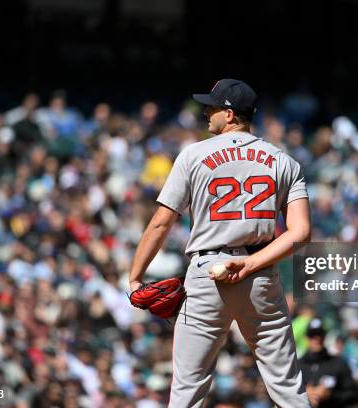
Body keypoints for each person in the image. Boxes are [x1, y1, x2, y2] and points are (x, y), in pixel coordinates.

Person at [128, 79, 312, 407]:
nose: (206, 112)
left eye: (211, 107)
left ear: (229, 115)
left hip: (206, 276)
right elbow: (300, 233)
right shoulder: (284, 161)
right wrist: (251, 264)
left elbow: (160, 223)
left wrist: (135, 276)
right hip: (260, 276)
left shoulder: (193, 155)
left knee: (187, 387)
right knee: (287, 385)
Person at [299, 318, 358, 407]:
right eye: (313, 335)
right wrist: (304, 394)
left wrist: (330, 395)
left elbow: (355, 394)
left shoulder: (338, 363)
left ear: (325, 336)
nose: (317, 338)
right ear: (306, 338)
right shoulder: (298, 366)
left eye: (320, 334)